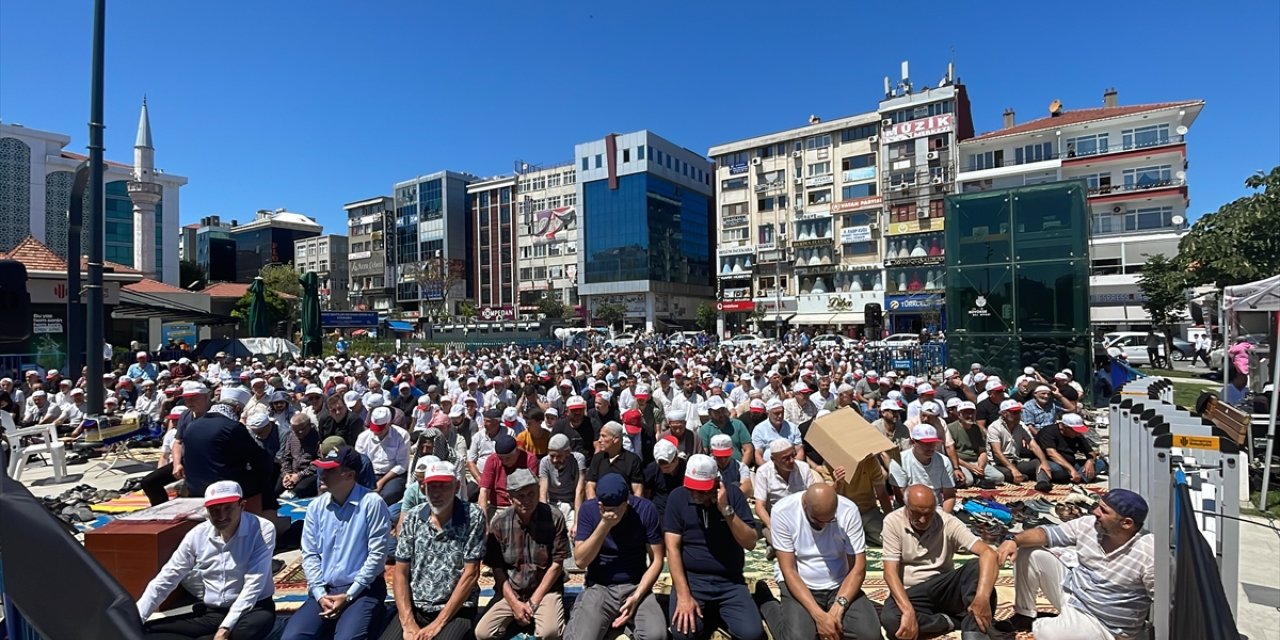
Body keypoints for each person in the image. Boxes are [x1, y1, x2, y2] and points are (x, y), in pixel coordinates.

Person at [995, 489, 1155, 639]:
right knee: (1028, 552)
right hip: (1075, 595)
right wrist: (1013, 540)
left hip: (1104, 626)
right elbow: (1047, 533)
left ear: (1126, 523)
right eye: (1098, 506)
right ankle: (1024, 615)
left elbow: (1166, 602)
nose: (1095, 512)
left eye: (1104, 511)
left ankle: (1053, 623)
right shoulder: (1089, 525)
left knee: (1048, 632)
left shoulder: (1149, 553)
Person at [136, 481, 276, 640]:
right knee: (146, 631)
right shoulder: (196, 535)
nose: (222, 516)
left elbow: (254, 583)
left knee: (245, 632)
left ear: (242, 506)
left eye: (228, 508)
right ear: (207, 511)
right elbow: (167, 578)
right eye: (215, 510)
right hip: (213, 613)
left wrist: (225, 627)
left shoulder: (262, 529)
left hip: (253, 608)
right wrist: (136, 619)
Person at [282, 446, 393, 640]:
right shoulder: (316, 506)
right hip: (325, 589)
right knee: (292, 637)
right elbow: (310, 553)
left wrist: (349, 595)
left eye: (329, 470)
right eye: (321, 469)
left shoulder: (372, 503)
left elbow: (377, 557)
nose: (321, 474)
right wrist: (319, 593)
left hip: (362, 590)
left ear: (349, 475)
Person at [761, 484, 882, 640]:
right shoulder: (783, 511)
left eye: (830, 521)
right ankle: (766, 602)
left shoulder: (848, 510)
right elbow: (789, 570)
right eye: (818, 520)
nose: (824, 525)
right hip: (800, 582)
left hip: (839, 583)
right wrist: (818, 616)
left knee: (869, 635)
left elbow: (858, 567)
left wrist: (837, 610)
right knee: (798, 637)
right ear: (805, 505)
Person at [664, 454, 764, 640]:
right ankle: (708, 616)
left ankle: (719, 613)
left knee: (752, 634)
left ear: (717, 483)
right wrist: (684, 596)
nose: (695, 495)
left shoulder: (733, 496)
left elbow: (750, 542)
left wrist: (726, 511)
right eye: (691, 489)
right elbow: (672, 549)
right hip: (693, 580)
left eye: (702, 491)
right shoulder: (677, 497)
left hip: (729, 581)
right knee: (683, 634)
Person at [880, 485, 999, 640]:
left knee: (977, 568)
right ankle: (949, 621)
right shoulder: (893, 521)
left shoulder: (947, 522)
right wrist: (908, 610)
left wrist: (982, 598)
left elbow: (988, 553)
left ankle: (974, 632)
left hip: (943, 588)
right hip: (912, 593)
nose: (922, 520)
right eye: (916, 513)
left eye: (928, 514)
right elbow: (890, 572)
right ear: (906, 506)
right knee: (891, 620)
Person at [390, 460, 486, 640]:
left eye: (444, 486)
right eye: (432, 486)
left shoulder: (473, 516)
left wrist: (439, 623)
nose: (436, 493)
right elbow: (400, 572)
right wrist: (407, 622)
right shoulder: (413, 517)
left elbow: (471, 573)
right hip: (417, 606)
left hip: (456, 609)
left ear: (457, 486)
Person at [564, 473, 667, 640]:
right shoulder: (589, 510)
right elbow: (581, 561)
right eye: (605, 508)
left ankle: (621, 626)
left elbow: (656, 560)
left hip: (635, 584)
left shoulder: (645, 510)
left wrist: (638, 595)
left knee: (657, 635)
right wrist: (604, 525)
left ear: (626, 502)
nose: (609, 513)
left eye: (614, 510)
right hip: (600, 586)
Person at [476, 469, 570, 640]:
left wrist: (533, 602)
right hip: (512, 590)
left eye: (531, 494)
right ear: (511, 499)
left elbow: (557, 564)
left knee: (551, 632)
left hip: (545, 591)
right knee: (482, 632)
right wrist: (515, 604)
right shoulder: (499, 524)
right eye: (521, 496)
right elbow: (498, 570)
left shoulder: (554, 517)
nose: (527, 500)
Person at [753, 439, 816, 545]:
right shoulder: (763, 472)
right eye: (785, 458)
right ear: (773, 459)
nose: (791, 460)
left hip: (802, 518)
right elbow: (759, 506)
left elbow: (813, 496)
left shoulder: (803, 468)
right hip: (777, 520)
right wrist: (772, 526)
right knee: (784, 543)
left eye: (793, 455)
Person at [887, 425, 957, 513]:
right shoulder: (899, 462)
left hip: (936, 507)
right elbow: (900, 496)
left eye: (933, 443)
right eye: (925, 444)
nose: (930, 447)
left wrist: (946, 517)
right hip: (907, 508)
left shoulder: (944, 461)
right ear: (913, 442)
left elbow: (949, 495)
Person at [354, 406, 412, 504]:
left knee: (388, 495)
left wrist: (382, 481)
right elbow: (360, 461)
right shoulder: (363, 437)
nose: (377, 432)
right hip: (370, 473)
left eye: (380, 429)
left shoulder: (402, 436)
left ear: (388, 424)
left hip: (392, 474)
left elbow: (402, 464)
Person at [477, 433, 538, 518]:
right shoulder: (492, 460)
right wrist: (483, 520)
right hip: (498, 507)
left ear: (517, 451)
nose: (504, 461)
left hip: (523, 506)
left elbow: (533, 489)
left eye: (508, 458)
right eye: (501, 458)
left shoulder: (529, 460)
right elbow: (484, 491)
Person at [1035, 413, 1107, 484]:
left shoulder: (1077, 435)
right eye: (1075, 431)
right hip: (1053, 463)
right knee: (1058, 470)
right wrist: (1071, 469)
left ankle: (1077, 478)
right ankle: (1076, 476)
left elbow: (1090, 452)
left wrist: (1090, 461)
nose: (1078, 433)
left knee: (1100, 463)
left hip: (1071, 463)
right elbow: (1052, 454)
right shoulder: (1048, 432)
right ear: (1064, 427)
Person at [946, 401, 1003, 488]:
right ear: (959, 414)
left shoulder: (978, 430)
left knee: (999, 478)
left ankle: (977, 477)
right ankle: (976, 479)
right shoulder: (950, 428)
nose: (970, 416)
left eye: (972, 412)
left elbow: (982, 452)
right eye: (966, 413)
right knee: (968, 481)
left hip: (975, 461)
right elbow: (951, 454)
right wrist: (970, 466)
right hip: (959, 462)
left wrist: (980, 466)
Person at [540, 433, 586, 538]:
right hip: (552, 504)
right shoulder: (545, 462)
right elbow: (543, 492)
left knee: (575, 534)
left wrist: (577, 523)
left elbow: (580, 491)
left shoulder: (578, 459)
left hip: (572, 504)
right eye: (552, 456)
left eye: (559, 456)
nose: (555, 460)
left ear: (568, 452)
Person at [585, 421, 645, 499]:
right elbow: (590, 485)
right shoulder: (597, 458)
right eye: (600, 436)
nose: (599, 440)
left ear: (616, 439)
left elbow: (638, 491)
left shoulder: (632, 461)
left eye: (604, 436)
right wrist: (594, 506)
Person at [696, 396, 754, 464]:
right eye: (717, 412)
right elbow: (704, 453)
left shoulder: (738, 424)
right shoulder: (705, 429)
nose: (721, 414)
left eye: (722, 410)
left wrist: (742, 467)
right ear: (710, 413)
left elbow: (748, 449)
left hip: (738, 465)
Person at [278, 413, 321, 499]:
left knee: (299, 491)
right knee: (277, 490)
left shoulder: (317, 438)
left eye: (301, 430)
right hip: (292, 472)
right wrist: (287, 473)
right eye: (296, 431)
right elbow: (286, 457)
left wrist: (299, 475)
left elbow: (319, 461)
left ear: (309, 425)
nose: (299, 433)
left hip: (309, 474)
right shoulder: (291, 436)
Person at [750, 398, 804, 466]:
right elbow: (758, 455)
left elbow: (799, 451)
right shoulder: (759, 429)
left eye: (782, 412)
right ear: (768, 413)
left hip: (792, 465)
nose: (780, 416)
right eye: (776, 413)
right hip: (769, 467)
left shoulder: (792, 428)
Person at [642, 438, 686, 521]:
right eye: (662, 467)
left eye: (668, 467)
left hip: (681, 508)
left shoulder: (686, 469)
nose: (664, 470)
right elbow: (644, 487)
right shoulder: (653, 469)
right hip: (659, 510)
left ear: (676, 459)